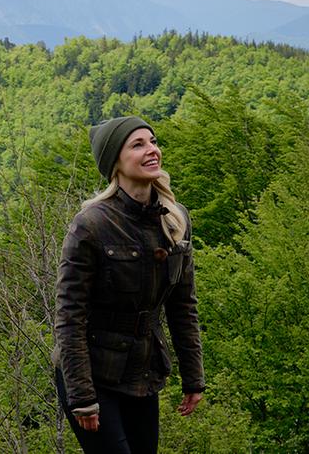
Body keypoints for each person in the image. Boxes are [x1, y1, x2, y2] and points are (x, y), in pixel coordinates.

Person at [53, 116, 205, 453]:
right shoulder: (90, 225)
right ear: (115, 163)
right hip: (92, 374)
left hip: (142, 372)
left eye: (153, 141)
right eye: (138, 145)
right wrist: (82, 397)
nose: (152, 150)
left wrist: (193, 377)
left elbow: (183, 306)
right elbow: (69, 316)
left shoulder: (175, 219)